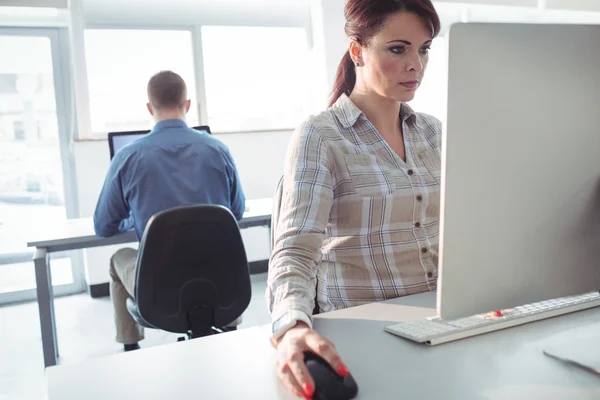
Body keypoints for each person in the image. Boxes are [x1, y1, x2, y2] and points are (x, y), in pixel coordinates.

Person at [266, 0, 442, 397]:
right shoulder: (321, 136)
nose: (416, 64)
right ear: (357, 51)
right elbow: (294, 251)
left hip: (441, 324)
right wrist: (291, 327)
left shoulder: (435, 133)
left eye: (424, 48)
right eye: (398, 49)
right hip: (362, 333)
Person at [93, 70, 245, 352]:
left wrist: (138, 217)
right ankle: (229, 327)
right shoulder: (218, 149)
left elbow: (103, 227)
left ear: (150, 109)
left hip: (160, 286)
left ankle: (130, 347)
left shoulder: (128, 156)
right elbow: (235, 212)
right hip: (219, 280)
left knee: (118, 259)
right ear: (187, 105)